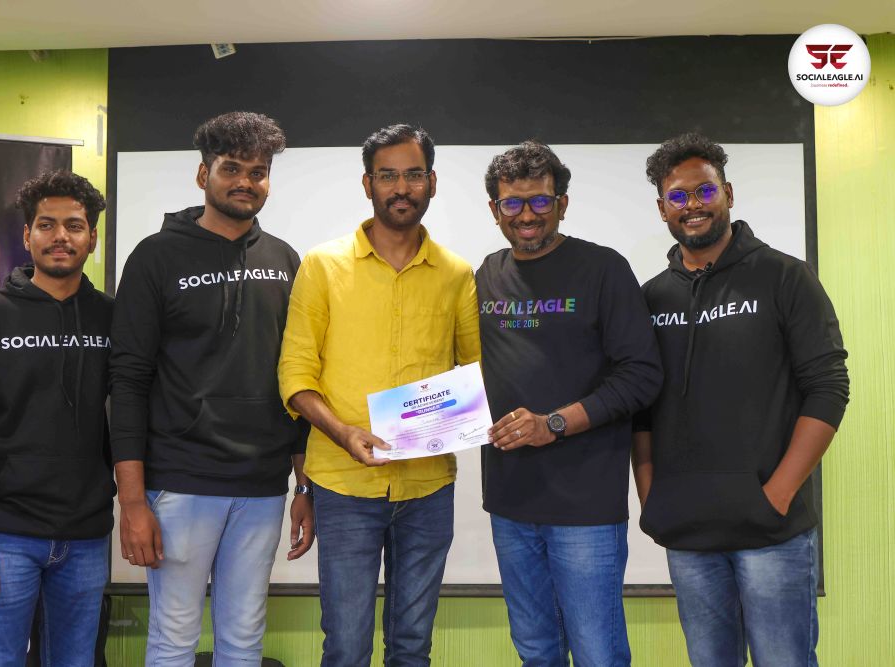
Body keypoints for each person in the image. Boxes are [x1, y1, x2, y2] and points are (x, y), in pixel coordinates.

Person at [632, 133, 850, 667]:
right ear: (662, 207)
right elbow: (640, 404)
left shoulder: (784, 276)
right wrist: (651, 492)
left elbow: (828, 387)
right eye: (678, 196)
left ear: (727, 192)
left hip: (770, 529)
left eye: (704, 191)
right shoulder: (651, 296)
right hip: (688, 531)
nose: (693, 205)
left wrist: (776, 493)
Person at [109, 111, 312, 665]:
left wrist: (305, 485)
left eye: (259, 171)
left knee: (244, 639)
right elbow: (126, 382)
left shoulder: (285, 260)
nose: (246, 181)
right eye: (232, 168)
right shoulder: (155, 257)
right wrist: (132, 502)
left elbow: (296, 377)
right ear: (204, 176)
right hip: (180, 484)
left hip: (263, 487)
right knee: (173, 639)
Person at [277, 123, 480, 666]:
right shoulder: (322, 266)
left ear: (432, 182)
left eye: (414, 175)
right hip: (343, 488)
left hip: (428, 486)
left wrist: (458, 415)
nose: (401, 187)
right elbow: (295, 375)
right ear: (367, 184)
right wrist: (343, 433)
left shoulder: (457, 274)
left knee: (412, 647)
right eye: (387, 175)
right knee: (346, 646)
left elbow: (476, 372)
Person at [476, 141, 663, 666]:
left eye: (540, 200)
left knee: (597, 653)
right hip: (509, 503)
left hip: (586, 508)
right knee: (535, 650)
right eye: (512, 203)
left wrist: (552, 424)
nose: (527, 215)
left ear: (562, 202)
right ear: (495, 210)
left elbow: (641, 376)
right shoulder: (485, 275)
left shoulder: (603, 269)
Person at [0, 171, 112, 666]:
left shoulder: (113, 319)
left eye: (75, 226)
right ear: (26, 235)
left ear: (92, 237)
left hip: (87, 537)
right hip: (3, 536)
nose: (61, 237)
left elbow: (130, 422)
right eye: (47, 225)